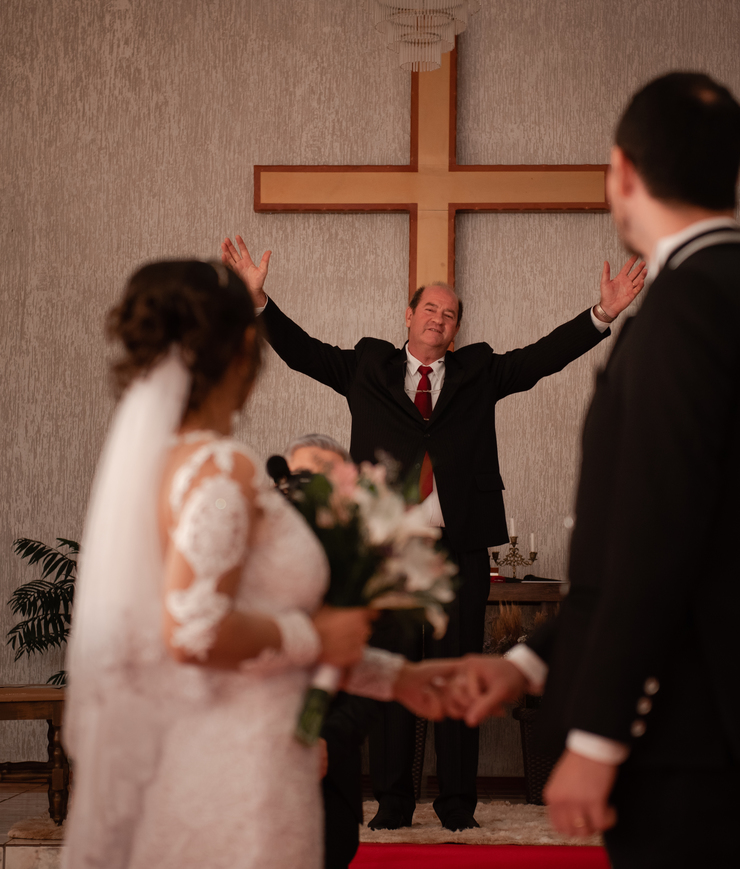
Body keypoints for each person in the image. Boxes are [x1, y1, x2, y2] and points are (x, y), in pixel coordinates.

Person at [439, 72, 740, 868]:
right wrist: (528, 662)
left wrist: (600, 734)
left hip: (681, 721)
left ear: (623, 171)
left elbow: (658, 541)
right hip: (713, 713)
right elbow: (661, 536)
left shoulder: (689, 306)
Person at [221, 235, 646, 832]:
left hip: (458, 549)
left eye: (449, 314)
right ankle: (393, 803)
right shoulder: (367, 366)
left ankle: (457, 805)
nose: (439, 320)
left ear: (456, 328)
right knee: (389, 672)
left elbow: (541, 358)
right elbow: (302, 352)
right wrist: (258, 301)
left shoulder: (479, 372)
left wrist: (602, 313)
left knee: (456, 673)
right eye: (430, 309)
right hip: (388, 553)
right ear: (408, 316)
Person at [61, 260, 452, 869]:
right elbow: (196, 630)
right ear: (244, 349)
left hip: (209, 747)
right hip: (242, 766)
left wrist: (397, 679)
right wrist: (315, 635)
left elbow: (241, 623)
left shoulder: (156, 467)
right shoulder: (222, 469)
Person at [283, 433, 366, 869]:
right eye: (300, 478)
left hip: (329, 773)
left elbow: (368, 679)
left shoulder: (370, 566)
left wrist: (321, 737)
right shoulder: (244, 556)